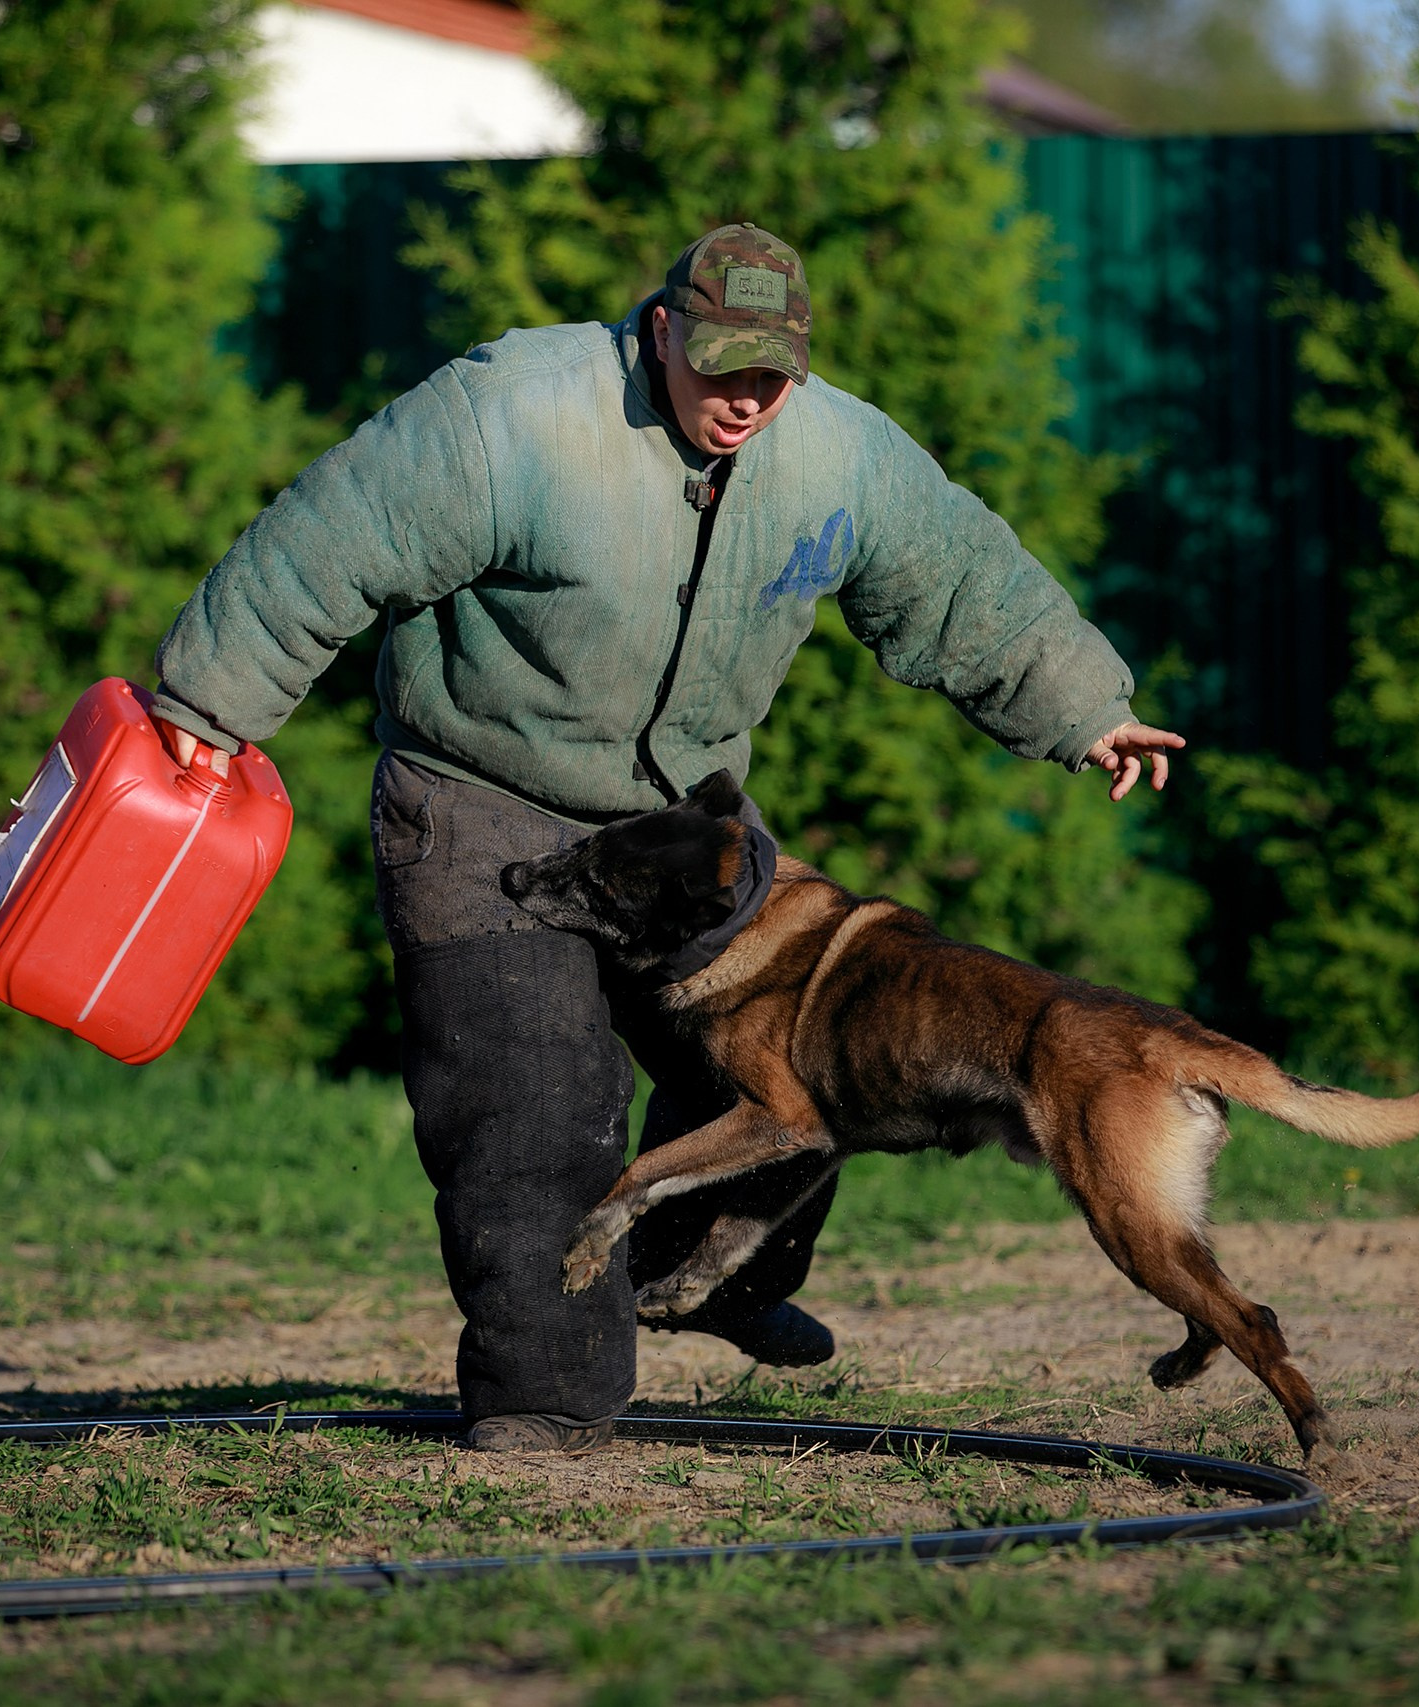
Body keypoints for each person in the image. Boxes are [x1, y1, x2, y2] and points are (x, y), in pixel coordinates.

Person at [151, 224, 1182, 1453]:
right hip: (479, 796)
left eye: (772, 374)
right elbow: (332, 535)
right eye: (720, 366)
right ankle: (548, 1391)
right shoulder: (514, 416)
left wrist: (1087, 713)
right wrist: (209, 704)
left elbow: (960, 578)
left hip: (681, 825)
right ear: (659, 331)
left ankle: (719, 1283)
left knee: (810, 1045)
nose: (745, 397)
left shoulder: (841, 454)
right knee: (530, 1108)